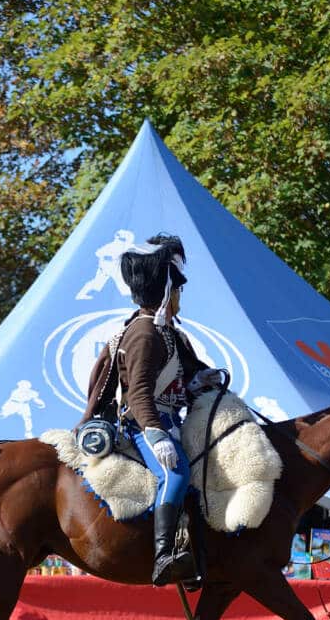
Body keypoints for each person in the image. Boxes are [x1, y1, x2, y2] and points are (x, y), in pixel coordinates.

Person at [79, 233, 226, 585]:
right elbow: (140, 392)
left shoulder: (169, 333)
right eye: (176, 290)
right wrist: (156, 434)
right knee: (174, 475)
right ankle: (162, 557)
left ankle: (192, 555)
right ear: (165, 292)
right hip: (143, 424)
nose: (180, 297)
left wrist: (201, 378)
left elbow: (180, 380)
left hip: (170, 419)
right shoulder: (144, 333)